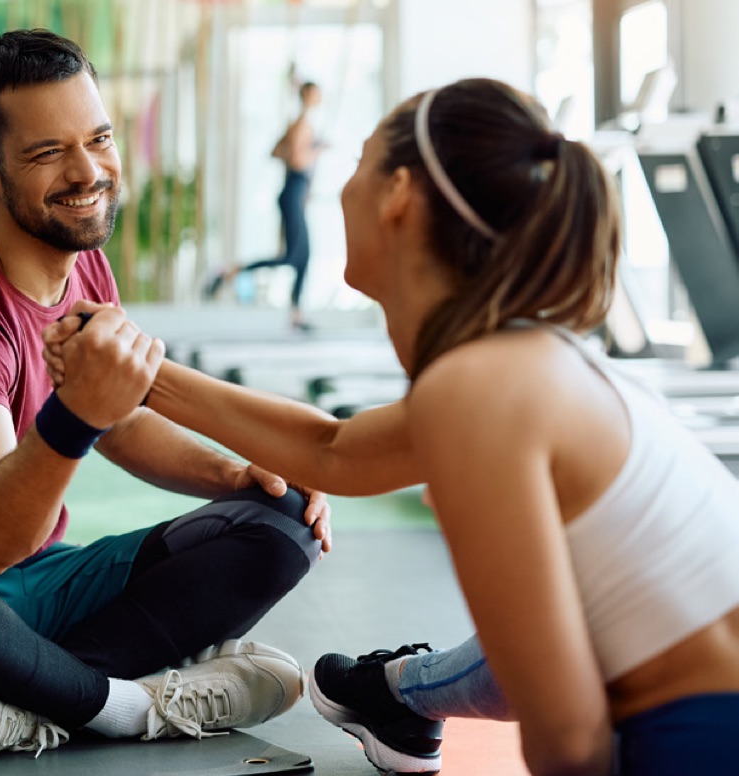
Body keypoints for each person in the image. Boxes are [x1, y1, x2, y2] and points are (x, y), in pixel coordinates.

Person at [46, 78, 739, 775]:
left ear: (399, 194)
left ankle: (399, 692)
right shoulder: (517, 363)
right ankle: (400, 694)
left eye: (356, 162)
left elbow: (567, 743)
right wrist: (136, 370)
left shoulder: (480, 390)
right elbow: (333, 451)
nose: (340, 188)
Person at [0, 28, 331, 769]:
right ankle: (122, 707)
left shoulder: (83, 270)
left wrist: (234, 477)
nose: (88, 171)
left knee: (280, 519)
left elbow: (120, 423)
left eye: (99, 139)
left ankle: (20, 705)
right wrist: (76, 413)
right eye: (48, 153)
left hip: (40, 592)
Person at [205, 81, 325, 331]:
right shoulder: (301, 125)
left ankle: (297, 314)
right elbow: (293, 158)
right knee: (293, 256)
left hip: (295, 194)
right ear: (308, 96)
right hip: (293, 193)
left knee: (301, 257)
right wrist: (315, 151)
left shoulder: (298, 125)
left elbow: (277, 151)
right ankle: (231, 272)